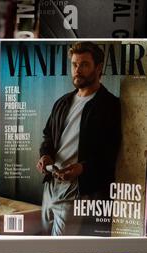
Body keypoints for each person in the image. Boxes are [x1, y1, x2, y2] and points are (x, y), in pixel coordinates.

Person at [36, 41, 121, 236]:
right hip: (51, 184)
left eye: (84, 64)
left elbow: (110, 153)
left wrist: (82, 168)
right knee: (42, 242)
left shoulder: (109, 105)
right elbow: (48, 136)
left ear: (98, 68)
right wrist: (45, 156)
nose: (77, 70)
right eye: (74, 64)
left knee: (61, 250)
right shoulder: (63, 102)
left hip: (77, 188)